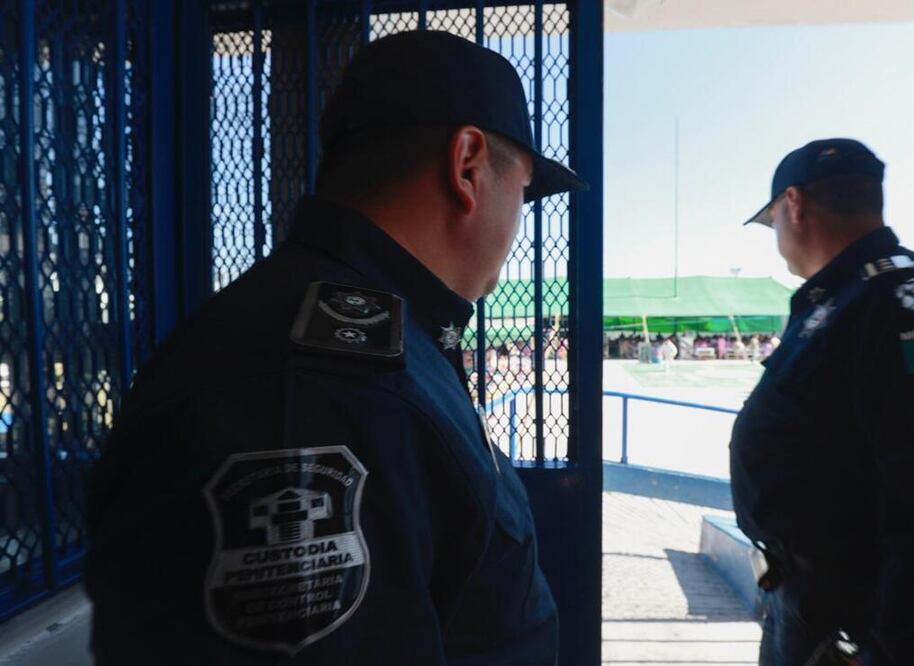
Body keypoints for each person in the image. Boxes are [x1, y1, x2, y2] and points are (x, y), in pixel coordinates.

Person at [84, 30, 587, 664]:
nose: (519, 223)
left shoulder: (381, 343)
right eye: (523, 191)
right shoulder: (324, 389)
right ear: (467, 166)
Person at [729, 138, 914, 665]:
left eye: (772, 222)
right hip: (807, 607)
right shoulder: (847, 302)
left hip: (857, 631)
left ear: (793, 204)